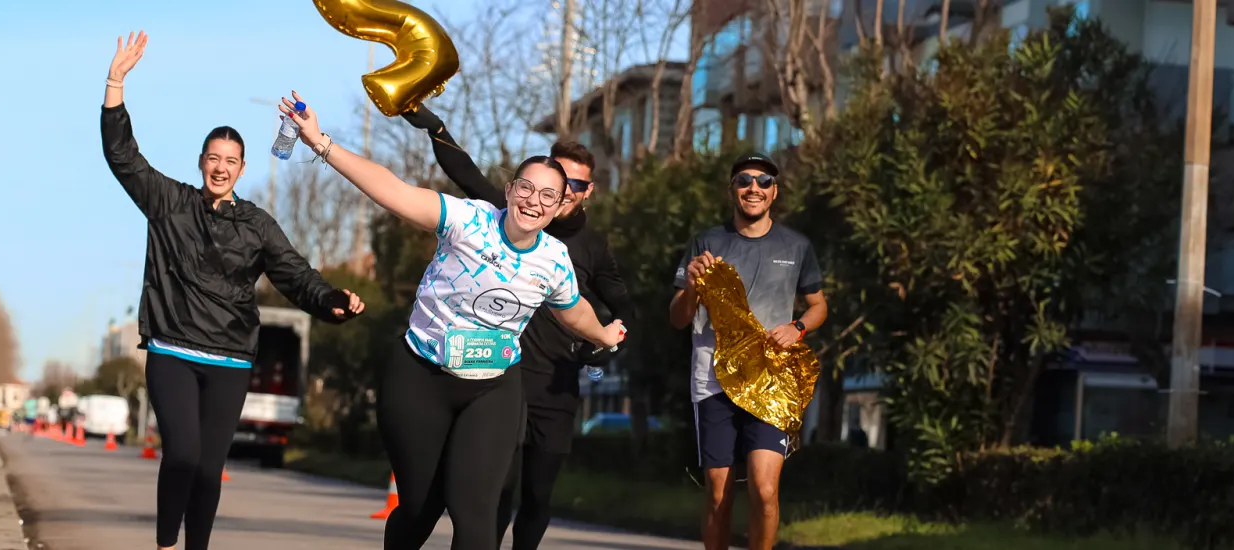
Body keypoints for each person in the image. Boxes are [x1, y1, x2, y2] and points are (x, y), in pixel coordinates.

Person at [278, 91, 625, 550]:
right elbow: (393, 190)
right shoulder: (467, 219)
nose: (534, 202)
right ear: (509, 190)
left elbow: (574, 309)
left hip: (493, 387)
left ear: (561, 204)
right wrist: (320, 142)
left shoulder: (555, 259)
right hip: (421, 376)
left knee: (475, 510)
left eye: (548, 195)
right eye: (525, 188)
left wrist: (603, 333)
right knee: (420, 508)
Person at [102, 32, 366, 550]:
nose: (220, 167)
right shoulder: (169, 202)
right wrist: (116, 82)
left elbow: (295, 274)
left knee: (208, 467)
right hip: (173, 350)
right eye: (213, 158)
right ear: (201, 161)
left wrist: (331, 300)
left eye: (231, 160)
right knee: (182, 454)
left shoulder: (257, 224)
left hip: (230, 358)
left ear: (242, 169)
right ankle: (165, 544)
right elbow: (122, 155)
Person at [402, 106, 637, 549]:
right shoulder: (509, 214)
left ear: (585, 192)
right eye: (554, 180)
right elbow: (464, 171)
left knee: (537, 495)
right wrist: (436, 126)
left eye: (574, 185)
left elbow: (624, 309)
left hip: (555, 386)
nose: (557, 193)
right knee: (491, 495)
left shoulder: (592, 247)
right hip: (501, 376)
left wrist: (602, 346)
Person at [669, 153, 828, 550]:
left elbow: (818, 306)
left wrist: (797, 328)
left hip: (770, 379)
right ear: (732, 190)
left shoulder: (797, 245)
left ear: (775, 192)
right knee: (718, 493)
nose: (753, 187)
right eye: (744, 180)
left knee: (764, 488)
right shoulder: (707, 242)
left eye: (763, 181)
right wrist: (693, 287)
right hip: (713, 378)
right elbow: (677, 318)